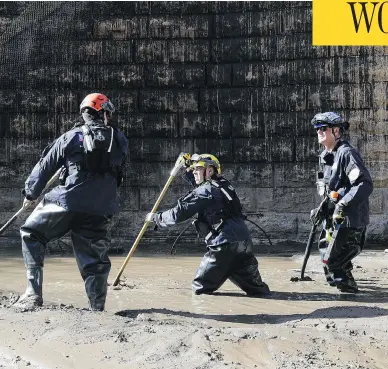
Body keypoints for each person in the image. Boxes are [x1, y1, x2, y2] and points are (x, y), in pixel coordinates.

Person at [14, 93, 128, 311]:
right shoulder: (120, 140)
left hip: (66, 202)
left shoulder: (70, 137)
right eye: (108, 114)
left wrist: (30, 194)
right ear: (103, 113)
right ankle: (97, 308)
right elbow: (117, 173)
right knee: (95, 259)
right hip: (101, 207)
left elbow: (44, 166)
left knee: (32, 233)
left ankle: (32, 293)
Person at [146, 153, 270, 296]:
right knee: (259, 291)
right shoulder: (224, 185)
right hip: (244, 244)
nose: (194, 173)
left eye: (197, 169)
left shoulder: (205, 190)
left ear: (210, 171)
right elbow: (200, 186)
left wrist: (157, 218)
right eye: (193, 170)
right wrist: (188, 169)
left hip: (223, 246)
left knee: (200, 290)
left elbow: (179, 212)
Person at [311, 112, 373, 293]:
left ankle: (351, 296)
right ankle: (342, 284)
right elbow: (331, 188)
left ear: (336, 131)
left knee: (333, 260)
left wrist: (343, 203)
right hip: (332, 218)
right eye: (317, 129)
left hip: (349, 220)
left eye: (324, 129)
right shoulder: (326, 156)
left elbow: (364, 183)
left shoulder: (347, 154)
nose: (319, 132)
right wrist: (322, 208)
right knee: (325, 252)